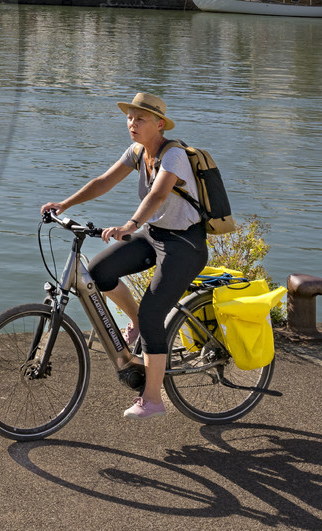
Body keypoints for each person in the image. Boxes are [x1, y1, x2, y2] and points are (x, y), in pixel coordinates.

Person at [41, 92, 206, 421]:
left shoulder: (173, 155)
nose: (132, 123)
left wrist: (130, 224)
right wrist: (65, 205)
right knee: (99, 272)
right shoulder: (136, 152)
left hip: (184, 243)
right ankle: (136, 323)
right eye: (130, 117)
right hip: (156, 234)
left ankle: (153, 398)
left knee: (152, 313)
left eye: (140, 118)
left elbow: (159, 194)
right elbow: (103, 181)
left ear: (159, 124)